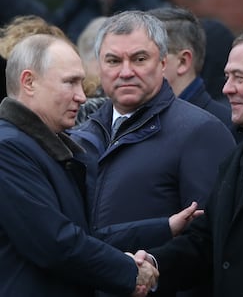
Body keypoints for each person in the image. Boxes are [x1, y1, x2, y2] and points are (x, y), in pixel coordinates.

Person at [70, 10, 236, 297]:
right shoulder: (79, 135)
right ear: (98, 66)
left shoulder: (201, 132)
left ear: (162, 63)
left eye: (139, 59)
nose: (125, 71)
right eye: (113, 60)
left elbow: (208, 241)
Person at [135, 28, 243, 296]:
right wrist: (152, 265)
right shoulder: (242, 152)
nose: (227, 88)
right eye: (226, 76)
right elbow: (206, 241)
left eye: (240, 77)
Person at [0, 33, 159, 297]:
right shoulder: (8, 149)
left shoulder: (44, 147)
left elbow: (81, 234)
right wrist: (130, 272)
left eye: (81, 83)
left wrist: (165, 227)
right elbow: (54, 242)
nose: (82, 97)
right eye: (70, 83)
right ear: (29, 82)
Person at [148, 7, 238, 141]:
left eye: (142, 58)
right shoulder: (131, 119)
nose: (127, 71)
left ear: (182, 62)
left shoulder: (225, 127)